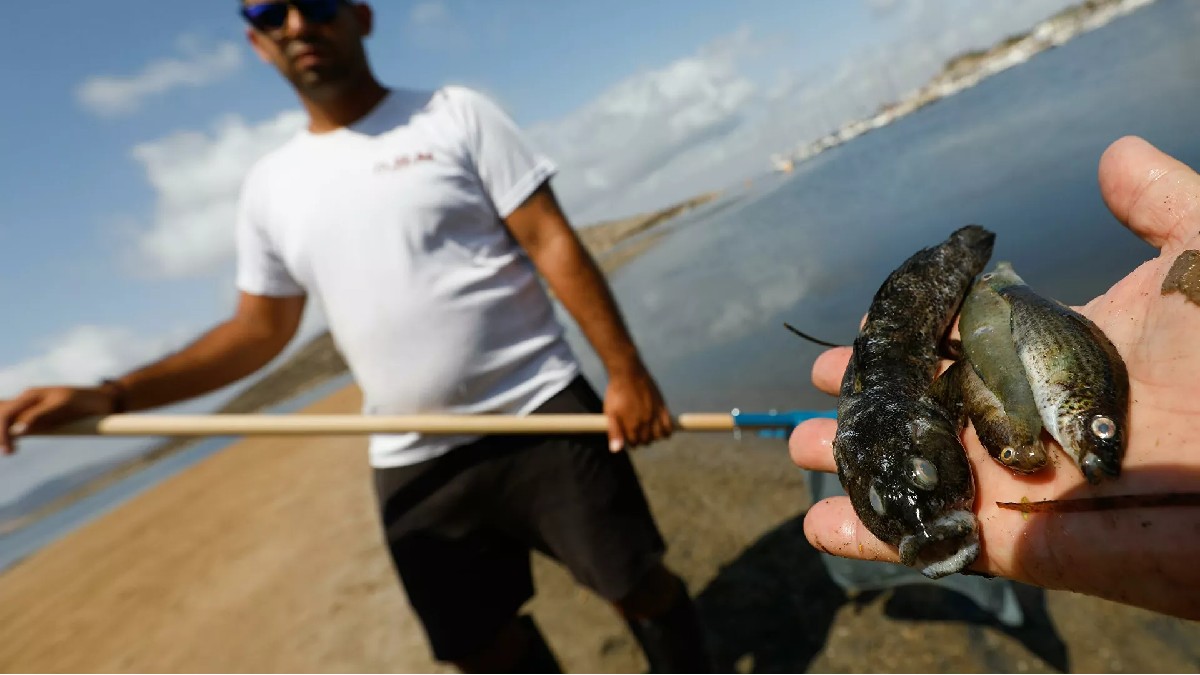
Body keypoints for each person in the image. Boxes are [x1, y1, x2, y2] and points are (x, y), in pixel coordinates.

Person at [0, 1, 714, 671]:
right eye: (268, 11)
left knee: (637, 585)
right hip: (411, 451)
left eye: (317, 0)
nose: (298, 21)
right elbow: (257, 330)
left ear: (362, 16)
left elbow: (548, 239)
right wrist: (110, 392)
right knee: (480, 645)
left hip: (541, 408)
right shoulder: (271, 186)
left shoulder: (453, 114)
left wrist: (627, 371)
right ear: (256, 41)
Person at [789, 134, 1200, 623]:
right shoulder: (909, 436)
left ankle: (965, 254)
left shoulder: (928, 415)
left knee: (966, 254)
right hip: (893, 370)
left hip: (895, 356)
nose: (923, 521)